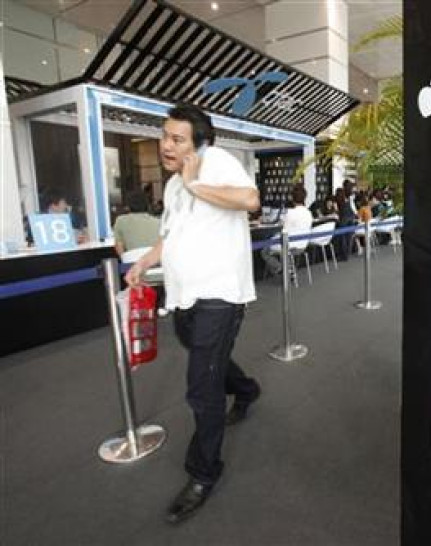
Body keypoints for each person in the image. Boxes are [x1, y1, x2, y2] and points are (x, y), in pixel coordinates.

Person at [124, 103, 261, 524]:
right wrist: (146, 262)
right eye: (165, 136)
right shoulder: (171, 187)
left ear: (200, 144)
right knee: (204, 354)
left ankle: (203, 473)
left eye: (177, 139)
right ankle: (247, 388)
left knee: (201, 386)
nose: (166, 145)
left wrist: (196, 183)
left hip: (220, 292)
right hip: (184, 296)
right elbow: (173, 234)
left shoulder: (217, 161)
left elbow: (250, 200)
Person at [261, 184, 313, 276]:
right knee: (282, 246)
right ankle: (288, 270)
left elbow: (285, 230)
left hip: (290, 245)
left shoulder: (290, 213)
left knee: (264, 251)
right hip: (303, 244)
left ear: (292, 198)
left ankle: (280, 268)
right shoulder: (308, 213)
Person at [112, 190, 160, 256]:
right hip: (155, 261)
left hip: (132, 262)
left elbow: (118, 246)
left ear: (128, 206)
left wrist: (124, 259)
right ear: (147, 205)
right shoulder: (158, 222)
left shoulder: (120, 221)